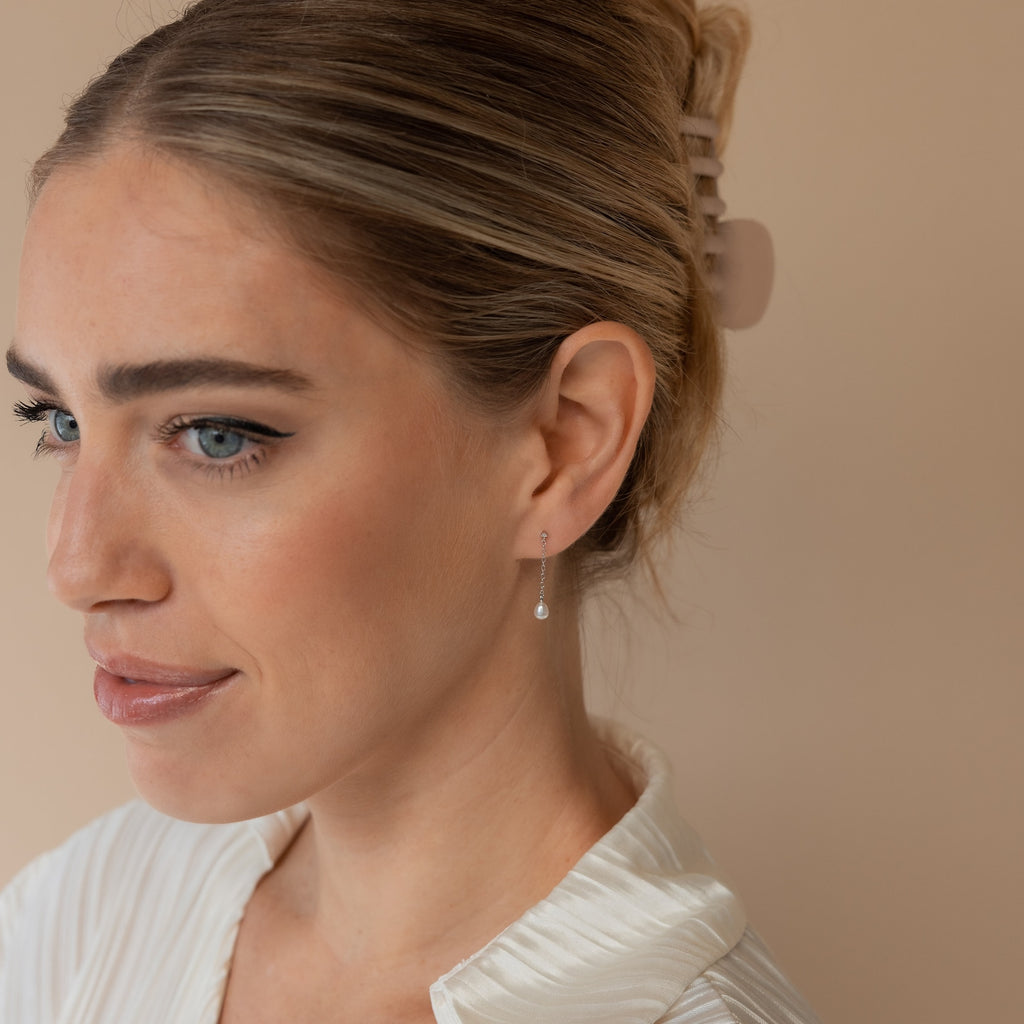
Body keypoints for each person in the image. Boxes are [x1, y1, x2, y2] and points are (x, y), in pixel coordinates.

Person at [0, 1, 814, 1021]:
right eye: (58, 420)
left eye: (217, 433)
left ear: (563, 443)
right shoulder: (84, 917)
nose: (76, 566)